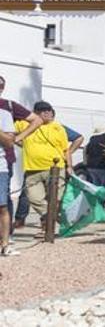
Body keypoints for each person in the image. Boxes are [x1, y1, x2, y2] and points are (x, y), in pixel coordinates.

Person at [13, 102, 69, 231]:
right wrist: (20, 142)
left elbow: (65, 149)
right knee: (34, 198)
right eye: (42, 111)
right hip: (32, 169)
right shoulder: (23, 124)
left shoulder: (58, 127)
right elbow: (9, 132)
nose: (47, 113)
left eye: (49, 110)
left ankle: (48, 228)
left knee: (55, 198)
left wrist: (69, 166)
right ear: (35, 113)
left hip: (56, 168)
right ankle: (52, 217)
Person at [0, 90, 19, 256]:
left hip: (0, 167)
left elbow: (9, 142)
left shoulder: (4, 114)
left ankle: (5, 244)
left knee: (2, 206)